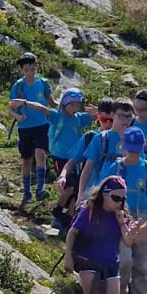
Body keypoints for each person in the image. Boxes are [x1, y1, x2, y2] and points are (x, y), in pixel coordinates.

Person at [64, 174, 139, 294]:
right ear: (104, 194)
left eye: (122, 199)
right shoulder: (89, 211)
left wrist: (125, 224)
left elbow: (128, 241)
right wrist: (68, 257)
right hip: (87, 260)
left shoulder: (120, 216)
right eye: (116, 197)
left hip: (110, 263)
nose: (119, 202)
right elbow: (73, 232)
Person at [112, 126, 147, 294]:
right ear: (123, 146)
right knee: (124, 262)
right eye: (129, 148)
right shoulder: (115, 167)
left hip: (142, 221)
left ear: (142, 146)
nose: (132, 152)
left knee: (141, 264)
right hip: (120, 220)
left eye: (136, 148)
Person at [9, 52, 55, 207]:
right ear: (22, 70)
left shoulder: (43, 83)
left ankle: (40, 189)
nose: (30, 72)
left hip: (42, 124)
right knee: (27, 159)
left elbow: (52, 102)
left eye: (32, 68)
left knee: (40, 153)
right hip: (25, 127)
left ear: (36, 67)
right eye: (27, 69)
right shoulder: (18, 85)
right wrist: (17, 116)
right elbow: (11, 108)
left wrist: (66, 109)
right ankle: (27, 192)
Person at [48, 89, 93, 229]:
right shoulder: (58, 116)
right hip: (60, 157)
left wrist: (99, 111)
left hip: (75, 158)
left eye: (77, 105)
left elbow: (100, 116)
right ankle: (58, 210)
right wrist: (24, 103)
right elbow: (44, 110)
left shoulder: (79, 118)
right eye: (72, 105)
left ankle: (68, 218)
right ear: (64, 104)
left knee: (77, 190)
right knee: (69, 187)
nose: (75, 108)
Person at [78, 99, 135, 200]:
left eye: (128, 116)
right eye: (121, 115)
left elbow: (139, 165)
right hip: (102, 194)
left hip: (128, 195)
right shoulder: (101, 138)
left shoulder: (135, 138)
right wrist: (81, 195)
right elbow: (88, 168)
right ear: (112, 115)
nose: (125, 120)